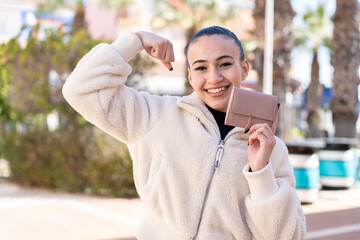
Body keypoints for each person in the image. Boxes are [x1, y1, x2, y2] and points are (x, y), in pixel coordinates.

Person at [63, 25, 306, 240]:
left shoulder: (272, 148)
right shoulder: (157, 115)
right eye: (201, 68)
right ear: (190, 76)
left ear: (243, 69)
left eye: (224, 64)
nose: (213, 77)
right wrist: (134, 41)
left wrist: (260, 173)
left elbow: (290, 236)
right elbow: (79, 89)